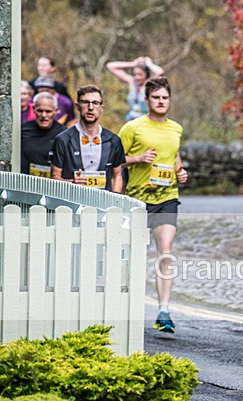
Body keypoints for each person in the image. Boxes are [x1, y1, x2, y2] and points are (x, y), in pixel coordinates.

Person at [119, 76, 188, 333]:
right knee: (135, 256)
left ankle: (164, 311)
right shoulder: (132, 128)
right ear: (147, 100)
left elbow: (174, 156)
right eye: (156, 97)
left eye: (165, 98)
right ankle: (128, 307)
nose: (161, 102)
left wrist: (181, 172)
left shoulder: (176, 128)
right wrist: (138, 157)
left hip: (167, 197)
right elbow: (115, 160)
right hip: (137, 199)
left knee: (166, 251)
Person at [50, 85, 124, 193]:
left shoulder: (113, 140)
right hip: (73, 203)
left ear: (101, 108)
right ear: (77, 106)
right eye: (85, 102)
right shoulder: (63, 139)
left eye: (95, 103)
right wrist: (72, 183)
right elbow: (54, 177)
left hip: (103, 204)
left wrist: (115, 203)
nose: (90, 107)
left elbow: (117, 175)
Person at [20, 92, 66, 176]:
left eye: (48, 111)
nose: (44, 115)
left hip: (52, 184)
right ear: (33, 109)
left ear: (55, 111)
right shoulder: (21, 130)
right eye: (40, 111)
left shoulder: (64, 134)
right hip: (25, 182)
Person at [106, 56, 164, 121]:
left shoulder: (150, 85)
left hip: (146, 121)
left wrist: (149, 64)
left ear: (146, 74)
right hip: (131, 121)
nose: (137, 77)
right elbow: (110, 66)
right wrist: (132, 64)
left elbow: (160, 72)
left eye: (140, 74)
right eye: (135, 74)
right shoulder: (132, 82)